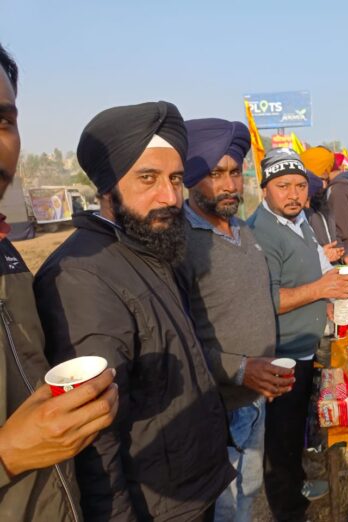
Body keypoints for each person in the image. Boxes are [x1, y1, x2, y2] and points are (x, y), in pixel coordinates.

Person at [33, 102, 234, 521]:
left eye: (176, 179)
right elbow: (95, 440)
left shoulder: (151, 245)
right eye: (148, 178)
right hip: (157, 506)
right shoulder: (81, 275)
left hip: (195, 485)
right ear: (108, 188)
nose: (170, 196)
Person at [0, 42, 118, 522]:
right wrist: (7, 455)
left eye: (4, 121)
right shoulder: (74, 265)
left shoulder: (8, 256)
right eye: (147, 177)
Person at [174, 118, 293, 521]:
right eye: (215, 174)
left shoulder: (244, 230)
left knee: (249, 493)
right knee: (224, 507)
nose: (229, 185)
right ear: (191, 179)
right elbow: (177, 341)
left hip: (256, 398)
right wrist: (241, 369)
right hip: (218, 409)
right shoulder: (179, 243)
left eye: (235, 172)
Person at [247, 148, 348, 522]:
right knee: (280, 438)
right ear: (265, 189)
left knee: (294, 430)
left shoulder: (299, 221)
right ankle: (289, 510)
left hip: (304, 347)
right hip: (281, 354)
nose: (293, 194)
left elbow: (305, 267)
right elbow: (266, 299)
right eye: (283, 186)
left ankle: (297, 483)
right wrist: (320, 289)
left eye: (299, 185)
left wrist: (322, 300)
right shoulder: (260, 233)